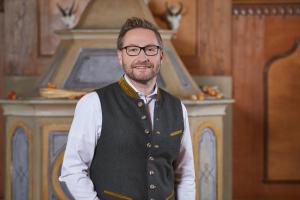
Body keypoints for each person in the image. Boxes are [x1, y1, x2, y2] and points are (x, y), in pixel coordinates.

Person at [59, 17, 195, 200]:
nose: (142, 57)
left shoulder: (178, 108)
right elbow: (72, 171)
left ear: (161, 55)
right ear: (120, 56)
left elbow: (185, 174)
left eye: (150, 49)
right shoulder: (93, 104)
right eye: (132, 50)